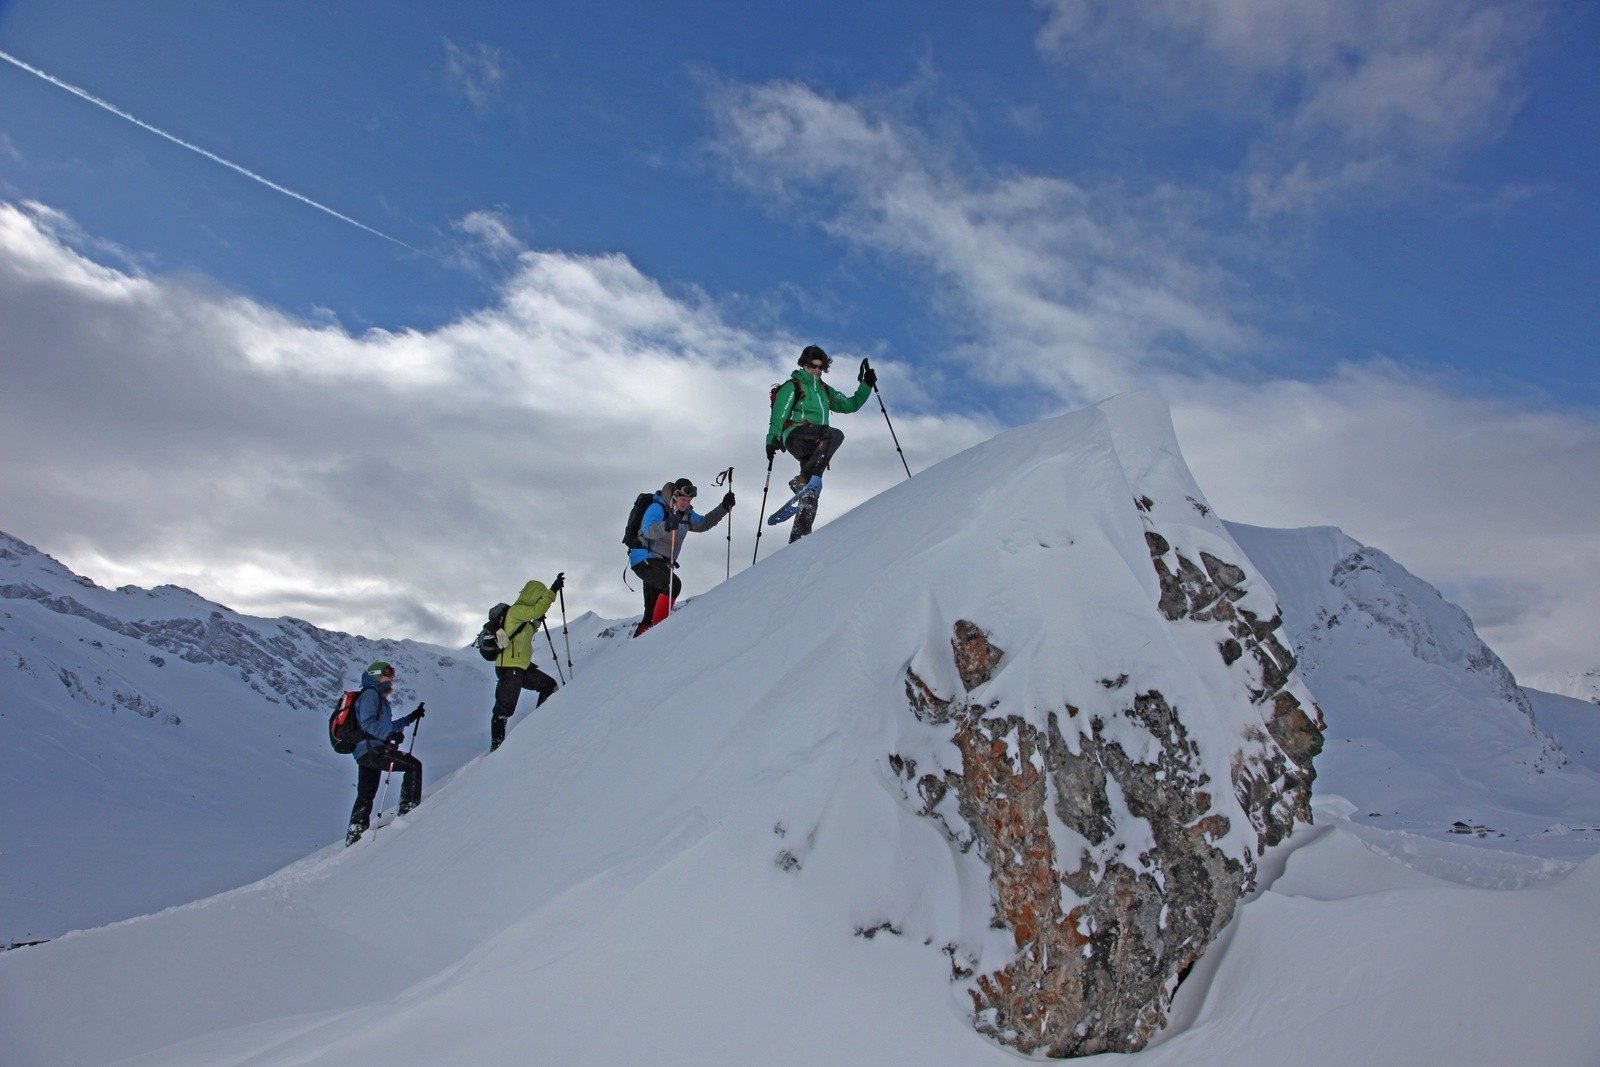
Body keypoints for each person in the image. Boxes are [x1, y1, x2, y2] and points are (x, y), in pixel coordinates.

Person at [765, 344, 874, 541]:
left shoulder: (824, 390)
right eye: (812, 366)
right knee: (834, 435)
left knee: (811, 496)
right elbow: (778, 414)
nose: (816, 370)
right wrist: (772, 439)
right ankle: (804, 481)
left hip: (817, 446)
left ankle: (799, 539)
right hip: (797, 435)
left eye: (820, 367)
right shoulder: (793, 386)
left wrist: (866, 385)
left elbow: (850, 405)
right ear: (804, 365)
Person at [627, 477, 734, 637]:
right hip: (643, 558)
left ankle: (638, 644)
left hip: (660, 563)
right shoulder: (658, 507)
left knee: (650, 612)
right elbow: (648, 530)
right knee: (673, 586)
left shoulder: (686, 515)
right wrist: (667, 524)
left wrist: (724, 508)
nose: (685, 503)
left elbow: (704, 524)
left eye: (688, 500)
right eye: (682, 499)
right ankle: (657, 635)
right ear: (675, 495)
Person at [346, 660, 426, 846]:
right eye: (387, 673)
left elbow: (386, 726)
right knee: (413, 766)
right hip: (372, 749)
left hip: (365, 751)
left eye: (392, 673)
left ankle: (355, 833)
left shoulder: (378, 697)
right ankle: (409, 810)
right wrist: (388, 735)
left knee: (366, 792)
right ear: (376, 675)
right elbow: (367, 723)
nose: (391, 677)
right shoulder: (371, 695)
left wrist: (410, 718)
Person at [491, 575, 563, 752]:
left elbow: (528, 628)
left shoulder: (521, 617)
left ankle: (538, 724)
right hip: (509, 667)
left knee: (549, 685)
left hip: (521, 667)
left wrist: (537, 622)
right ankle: (496, 746)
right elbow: (534, 612)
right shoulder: (516, 611)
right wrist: (552, 591)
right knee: (504, 709)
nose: (539, 601)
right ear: (533, 595)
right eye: (539, 597)